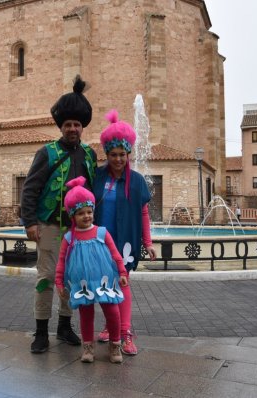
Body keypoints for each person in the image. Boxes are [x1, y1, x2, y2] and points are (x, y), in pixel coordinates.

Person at [21, 75, 98, 353]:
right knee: (46, 277)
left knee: (73, 277)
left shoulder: (89, 155)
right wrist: (29, 221)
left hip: (78, 231)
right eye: (68, 125)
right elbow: (30, 187)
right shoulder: (48, 153)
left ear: (82, 126)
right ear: (61, 127)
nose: (73, 129)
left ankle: (65, 327)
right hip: (50, 226)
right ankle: (41, 331)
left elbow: (94, 190)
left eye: (77, 124)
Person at [93, 109, 157, 356]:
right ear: (106, 154)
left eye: (122, 154)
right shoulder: (97, 177)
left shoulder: (138, 181)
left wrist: (148, 242)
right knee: (103, 284)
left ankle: (125, 332)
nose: (118, 159)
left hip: (124, 241)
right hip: (99, 242)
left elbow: (143, 213)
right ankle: (111, 327)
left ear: (128, 153)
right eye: (113, 155)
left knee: (122, 283)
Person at [55, 177, 128, 363]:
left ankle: (114, 345)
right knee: (85, 314)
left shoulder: (102, 232)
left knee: (112, 311)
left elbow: (115, 254)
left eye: (89, 211)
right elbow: (62, 262)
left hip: (105, 279)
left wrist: (122, 272)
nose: (86, 216)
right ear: (73, 216)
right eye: (81, 213)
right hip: (83, 283)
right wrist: (59, 283)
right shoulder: (69, 238)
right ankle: (88, 347)